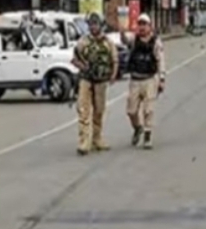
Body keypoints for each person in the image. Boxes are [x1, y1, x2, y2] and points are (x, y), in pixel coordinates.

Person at [71, 13, 118, 154]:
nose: (93, 27)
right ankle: (84, 141)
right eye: (91, 24)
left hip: (101, 81)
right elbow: (74, 59)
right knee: (83, 110)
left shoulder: (107, 42)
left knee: (99, 111)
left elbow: (114, 59)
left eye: (96, 24)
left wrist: (114, 74)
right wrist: (83, 66)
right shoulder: (83, 42)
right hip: (86, 80)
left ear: (101, 25)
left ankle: (97, 138)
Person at [122, 14, 165, 149]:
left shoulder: (156, 42)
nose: (141, 27)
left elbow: (160, 60)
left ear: (149, 26)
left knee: (148, 110)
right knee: (131, 110)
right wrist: (122, 31)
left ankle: (147, 135)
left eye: (144, 24)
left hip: (149, 79)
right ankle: (137, 127)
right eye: (139, 24)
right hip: (135, 80)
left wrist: (162, 78)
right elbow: (124, 40)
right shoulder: (134, 40)